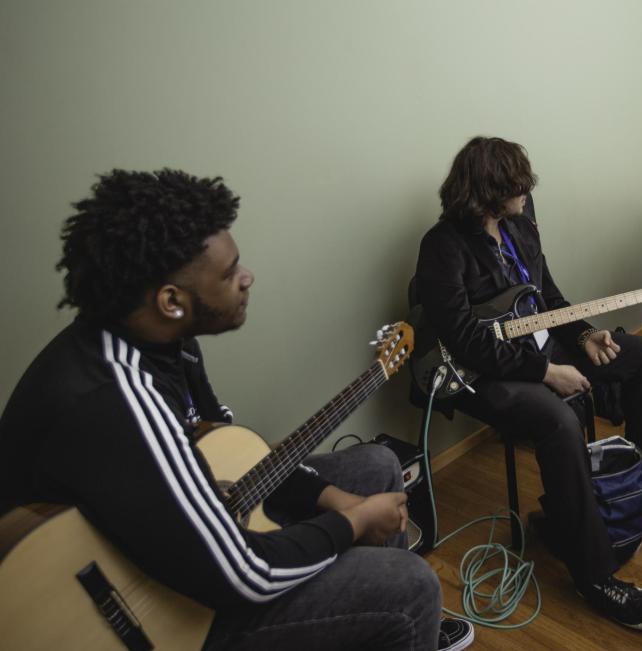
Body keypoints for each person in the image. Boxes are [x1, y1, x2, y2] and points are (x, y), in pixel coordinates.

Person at [0, 169, 473, 651]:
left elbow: (228, 453)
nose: (246, 277)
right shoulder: (115, 397)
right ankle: (396, 616)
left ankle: (378, 629)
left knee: (377, 464)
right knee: (409, 584)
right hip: (153, 620)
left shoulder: (167, 346)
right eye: (228, 274)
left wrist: (330, 496)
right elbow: (244, 575)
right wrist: (349, 521)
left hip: (165, 540)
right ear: (171, 300)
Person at [414, 136, 642, 631]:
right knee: (557, 420)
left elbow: (550, 299)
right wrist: (545, 373)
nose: (527, 193)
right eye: (518, 186)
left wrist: (584, 337)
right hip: (480, 370)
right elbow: (466, 341)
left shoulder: (520, 228)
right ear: (489, 190)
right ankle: (594, 575)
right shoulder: (443, 246)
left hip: (538, 349)